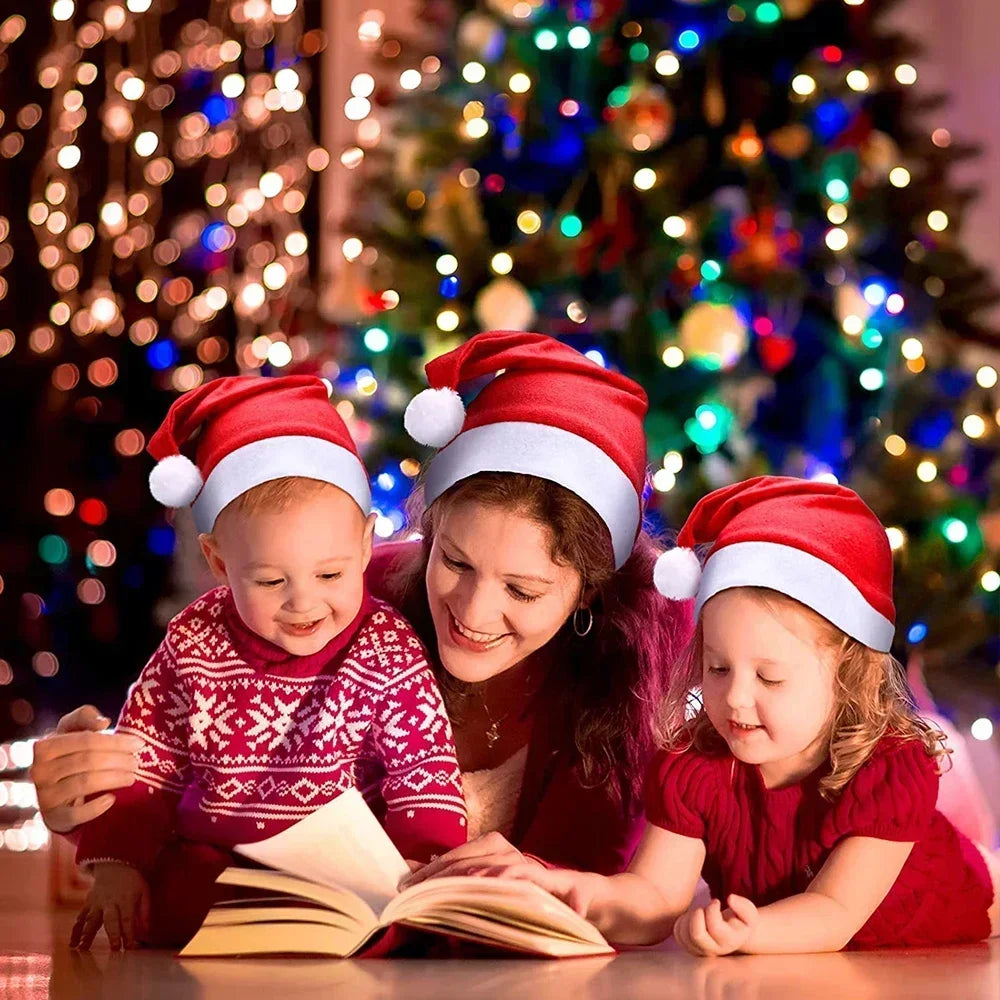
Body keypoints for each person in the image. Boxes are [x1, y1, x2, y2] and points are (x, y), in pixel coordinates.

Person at [32, 332, 690, 897]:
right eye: (455, 561)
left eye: (522, 590)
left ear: (590, 591)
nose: (472, 610)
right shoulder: (341, 596)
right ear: (427, 532)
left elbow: (618, 877)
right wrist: (88, 802)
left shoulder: (648, 652)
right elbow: (205, 753)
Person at [474, 476, 1000, 952]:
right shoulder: (696, 766)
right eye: (718, 668)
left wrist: (751, 931)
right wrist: (572, 890)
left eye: (769, 677)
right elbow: (654, 897)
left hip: (963, 914)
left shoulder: (889, 769)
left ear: (847, 672)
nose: (735, 699)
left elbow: (834, 914)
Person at [67, 376, 466, 949]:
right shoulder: (194, 643)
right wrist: (118, 864)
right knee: (176, 898)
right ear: (219, 563)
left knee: (390, 920)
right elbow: (143, 763)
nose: (304, 603)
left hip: (345, 874)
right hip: (219, 861)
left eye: (330, 575)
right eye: (271, 580)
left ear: (363, 546)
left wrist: (425, 871)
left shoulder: (385, 646)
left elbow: (422, 771)